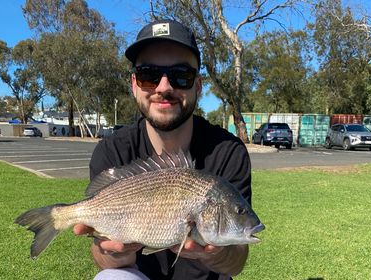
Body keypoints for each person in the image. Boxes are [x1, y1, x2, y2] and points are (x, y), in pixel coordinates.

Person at [74, 19, 252, 280]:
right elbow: (101, 256)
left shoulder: (228, 151)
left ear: (198, 85)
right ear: (134, 84)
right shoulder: (112, 150)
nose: (164, 87)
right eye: (149, 75)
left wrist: (215, 254)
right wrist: (113, 254)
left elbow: (235, 262)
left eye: (181, 75)